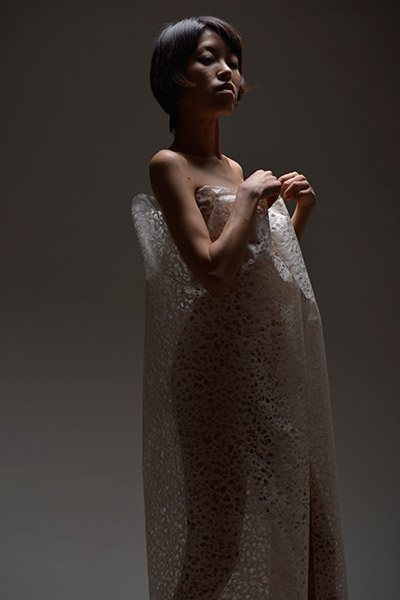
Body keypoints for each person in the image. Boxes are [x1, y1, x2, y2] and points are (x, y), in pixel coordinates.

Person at [131, 15, 349, 600]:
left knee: (315, 537)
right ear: (173, 74)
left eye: (233, 61)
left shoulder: (233, 169)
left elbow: (258, 269)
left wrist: (297, 215)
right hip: (212, 370)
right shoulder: (169, 165)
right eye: (209, 58)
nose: (228, 70)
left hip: (268, 364)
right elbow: (212, 272)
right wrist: (252, 197)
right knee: (218, 543)